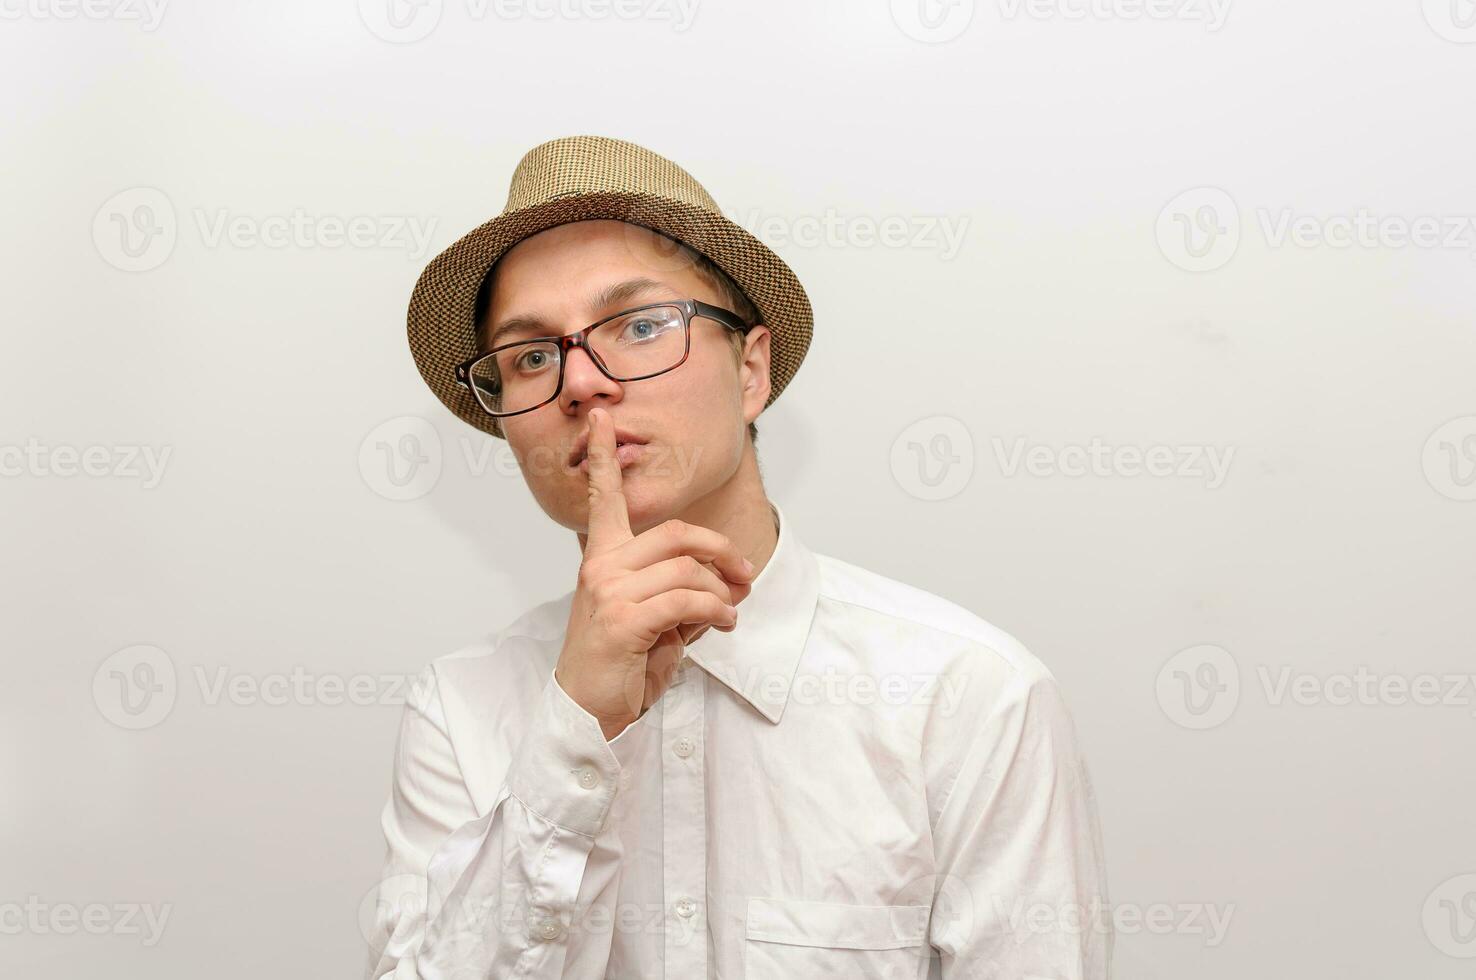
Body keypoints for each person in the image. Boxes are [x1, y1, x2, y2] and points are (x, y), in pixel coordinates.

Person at [365, 134, 1112, 979]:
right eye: (532, 356)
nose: (581, 383)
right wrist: (574, 726)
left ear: (751, 370)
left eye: (640, 325)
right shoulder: (461, 707)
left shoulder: (969, 697)